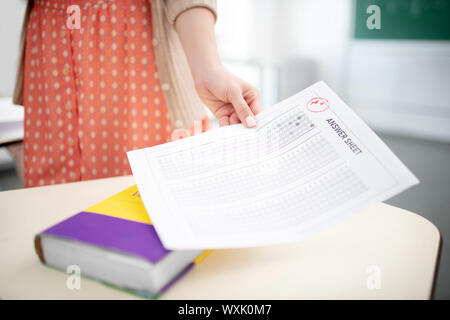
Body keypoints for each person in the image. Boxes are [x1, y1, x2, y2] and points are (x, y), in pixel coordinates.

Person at [13, 0, 262, 188]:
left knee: (146, 202)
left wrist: (209, 67)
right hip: (52, 46)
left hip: (135, 47)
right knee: (55, 211)